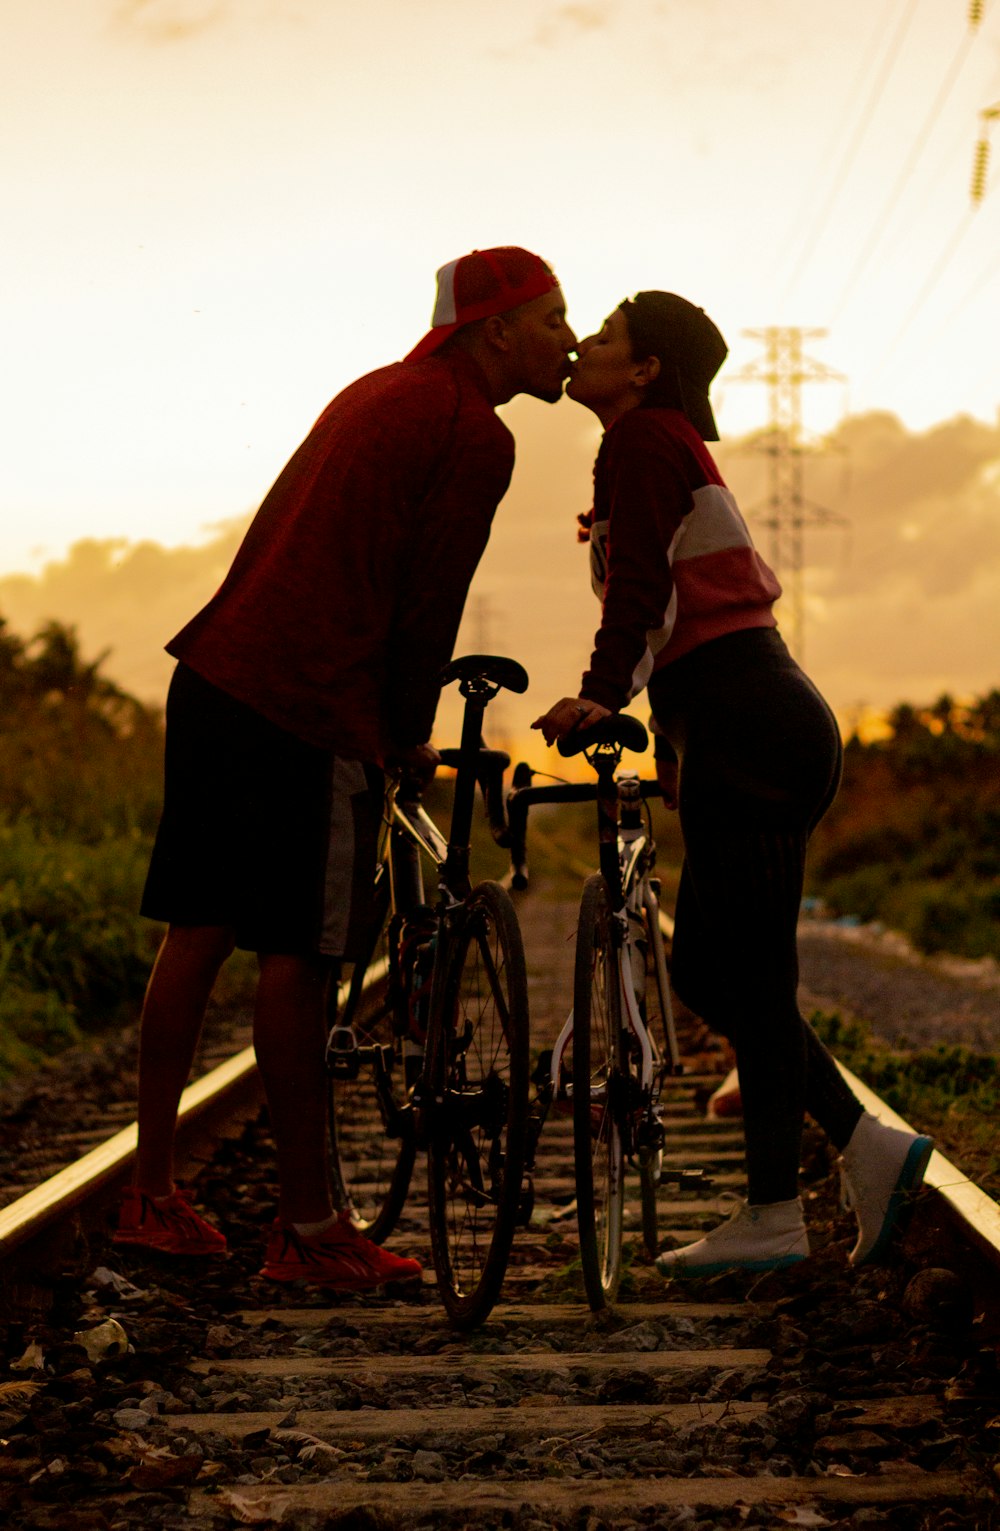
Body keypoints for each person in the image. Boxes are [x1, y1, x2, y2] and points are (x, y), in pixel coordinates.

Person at [115, 247, 577, 1288]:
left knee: (201, 928)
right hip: (307, 697)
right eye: (554, 318)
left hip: (220, 671)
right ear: (495, 330)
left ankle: (152, 1195)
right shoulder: (473, 431)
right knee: (304, 952)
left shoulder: (380, 392)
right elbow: (426, 603)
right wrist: (402, 735)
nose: (572, 339)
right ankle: (311, 1231)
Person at [533, 291, 932, 1276]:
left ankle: (777, 1210)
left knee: (749, 974)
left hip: (748, 718)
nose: (584, 343)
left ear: (647, 368)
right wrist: (669, 747)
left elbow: (643, 595)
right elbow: (674, 610)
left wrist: (595, 696)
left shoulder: (643, 441)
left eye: (608, 337)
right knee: (712, 970)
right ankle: (860, 1148)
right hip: (735, 721)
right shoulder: (651, 443)